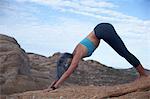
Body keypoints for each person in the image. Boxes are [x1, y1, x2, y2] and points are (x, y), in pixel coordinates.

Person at [44, 23, 148, 91]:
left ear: (69, 60)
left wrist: (55, 87)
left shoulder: (77, 53)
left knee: (124, 53)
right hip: (101, 30)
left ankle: (143, 75)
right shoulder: (75, 53)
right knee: (123, 53)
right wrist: (54, 84)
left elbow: (68, 72)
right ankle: (142, 74)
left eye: (70, 64)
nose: (73, 67)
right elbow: (65, 71)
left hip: (102, 30)